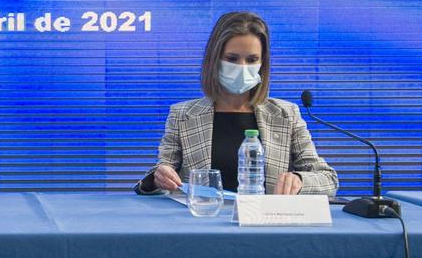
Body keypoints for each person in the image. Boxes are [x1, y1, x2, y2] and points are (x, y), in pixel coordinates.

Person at [142, 11, 338, 196]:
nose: (242, 67)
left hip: (267, 226)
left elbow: (328, 179)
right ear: (214, 59)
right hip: (201, 223)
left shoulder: (286, 114)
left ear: (263, 63)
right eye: (232, 58)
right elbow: (162, 171)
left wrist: (299, 180)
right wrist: (158, 178)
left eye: (252, 59)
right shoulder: (182, 115)